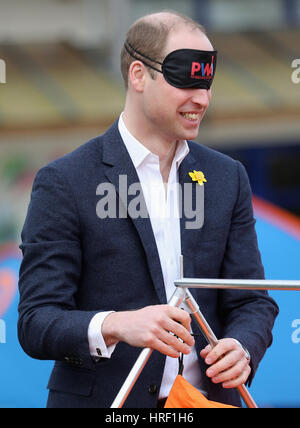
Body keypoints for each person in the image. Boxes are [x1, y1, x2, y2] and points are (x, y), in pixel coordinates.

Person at [18, 11, 279, 408]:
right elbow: (36, 321)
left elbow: (252, 300)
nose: (202, 98)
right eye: (185, 81)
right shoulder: (65, 181)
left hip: (206, 402)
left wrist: (242, 347)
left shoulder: (228, 178)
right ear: (138, 75)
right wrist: (118, 324)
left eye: (207, 82)